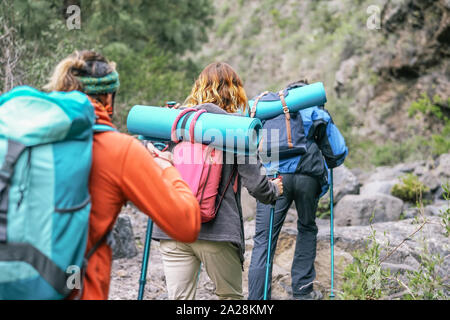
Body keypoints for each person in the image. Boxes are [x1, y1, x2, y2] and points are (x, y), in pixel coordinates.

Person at [44, 50, 201, 300]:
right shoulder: (119, 150)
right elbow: (187, 224)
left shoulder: (23, 136)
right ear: (108, 97)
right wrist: (166, 168)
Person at [152, 62, 284, 300]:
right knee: (230, 299)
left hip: (172, 228)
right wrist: (274, 190)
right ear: (235, 91)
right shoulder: (236, 129)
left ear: (199, 87)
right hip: (217, 232)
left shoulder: (176, 121)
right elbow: (256, 185)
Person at [248, 79, 344, 300]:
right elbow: (337, 152)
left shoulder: (269, 107)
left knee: (264, 239)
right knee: (307, 228)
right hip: (308, 178)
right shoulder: (315, 109)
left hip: (274, 178)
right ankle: (302, 291)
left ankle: (257, 299)